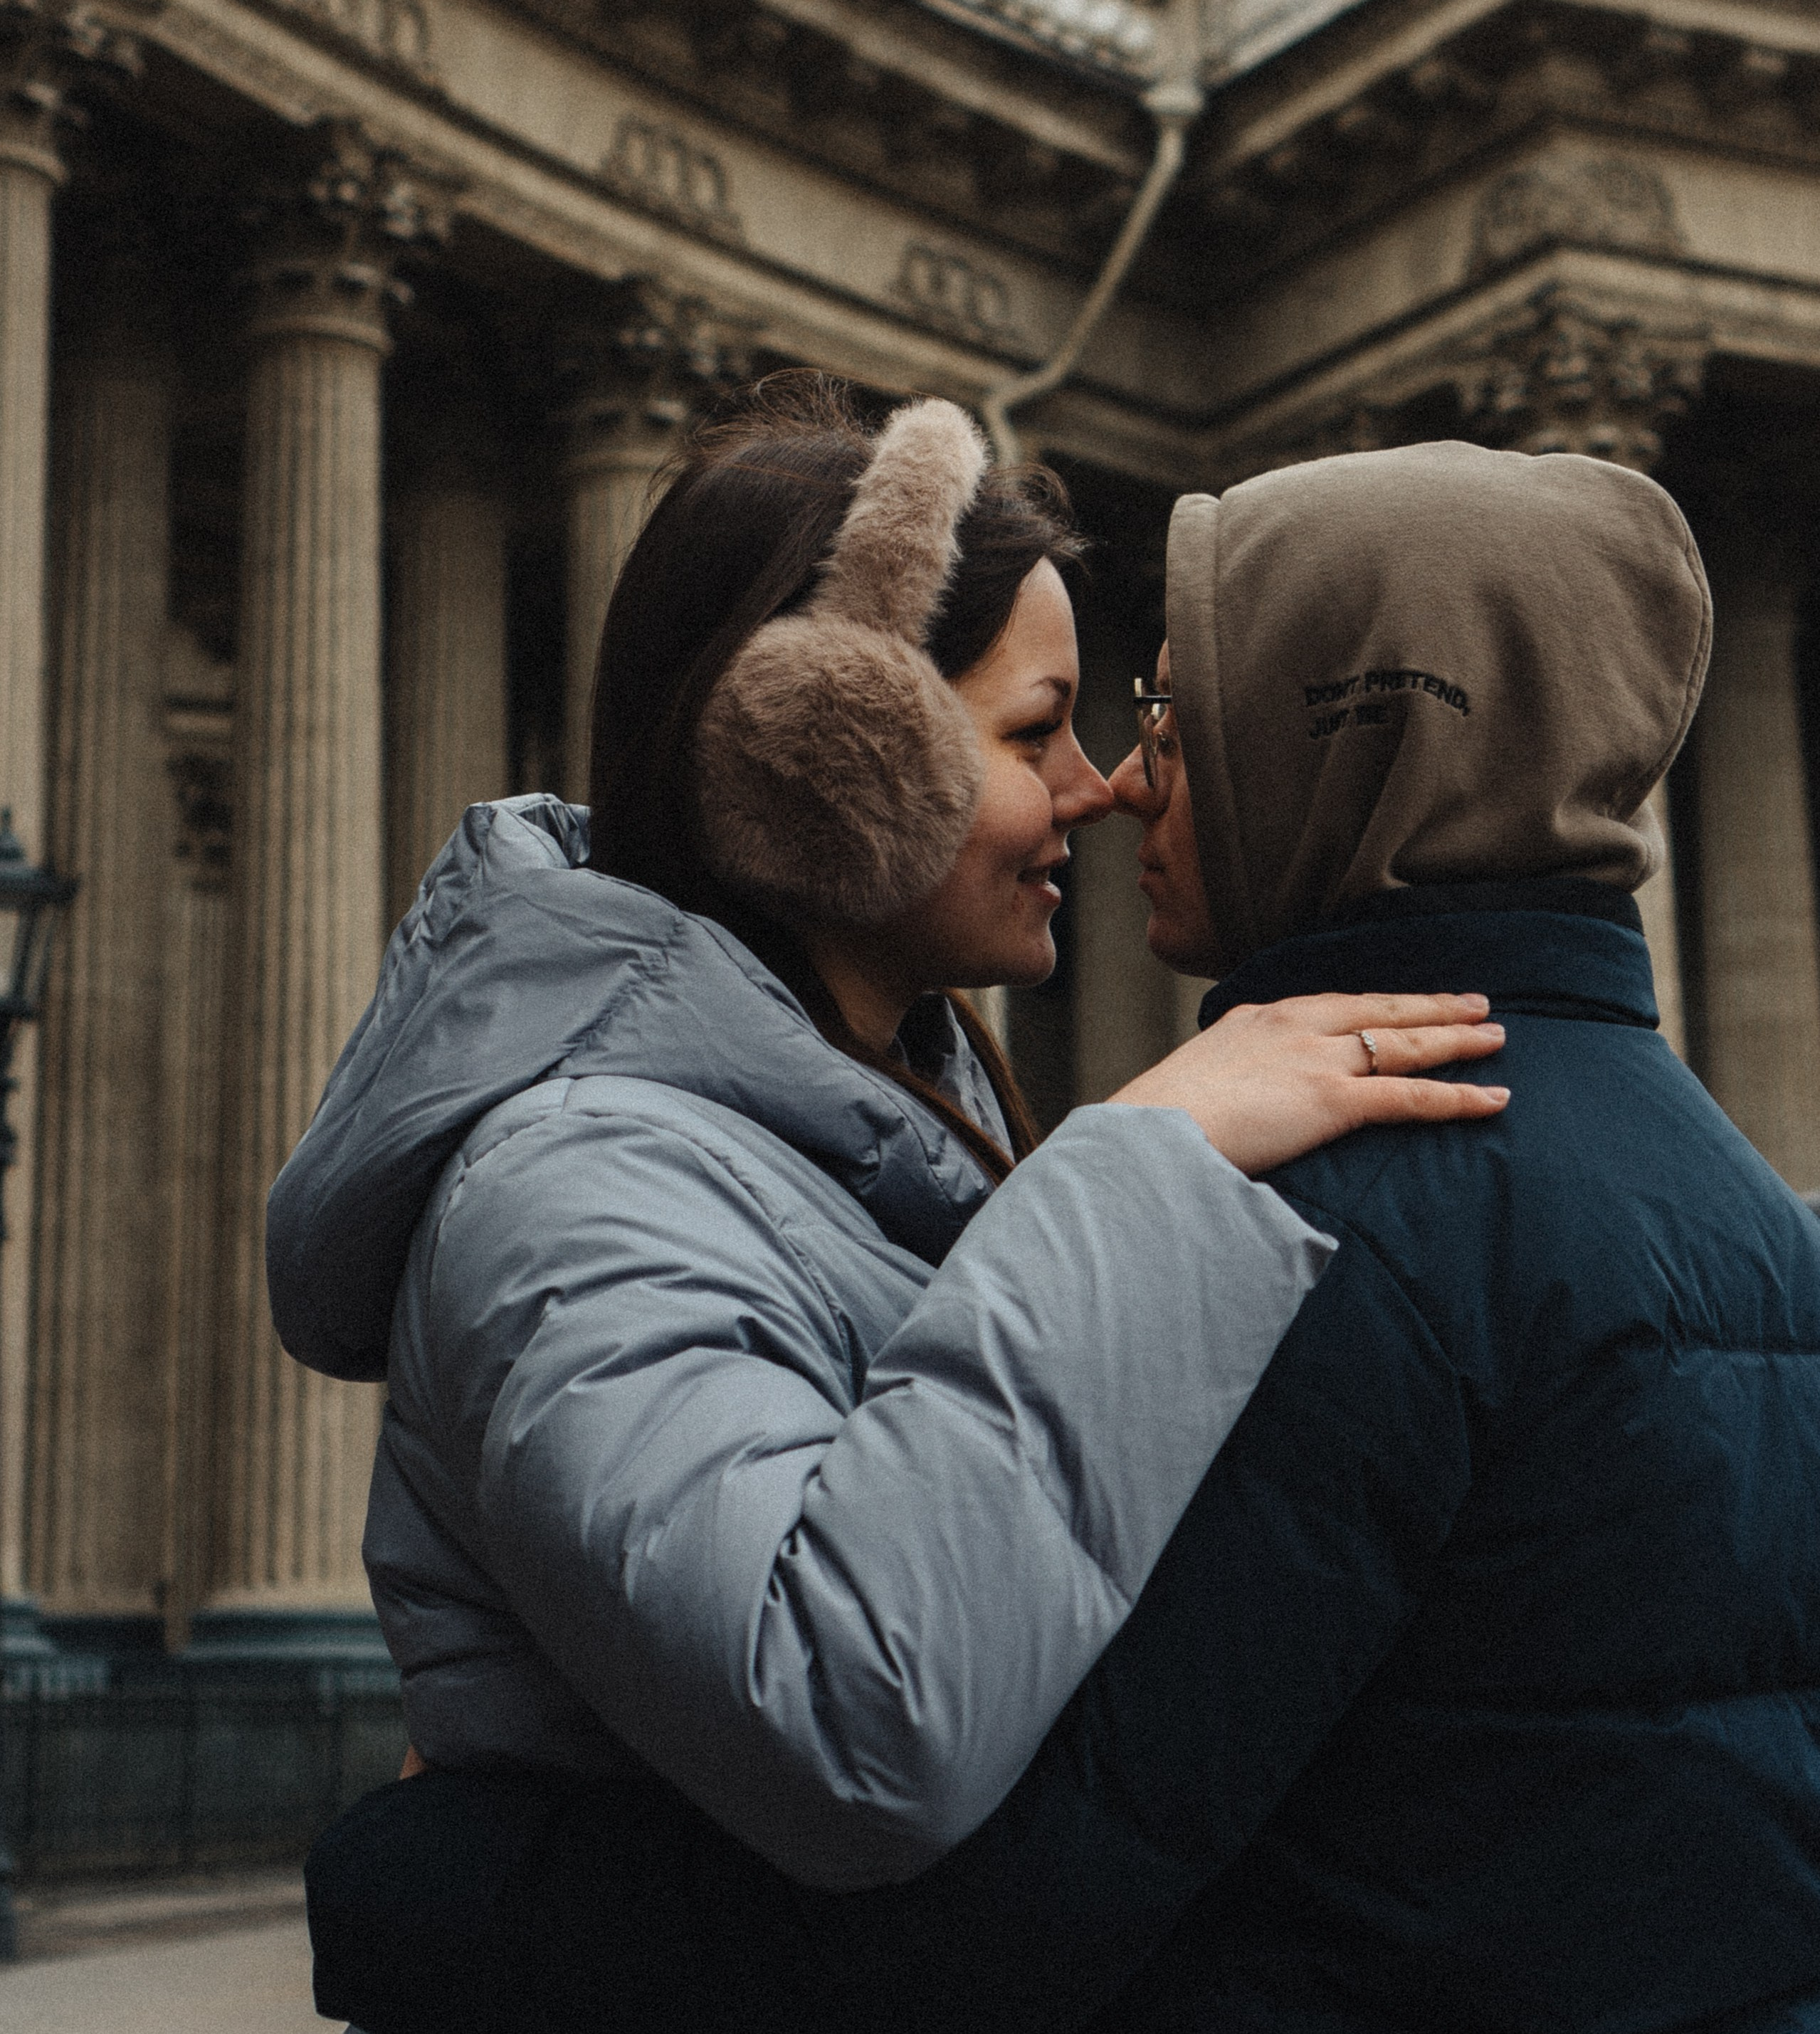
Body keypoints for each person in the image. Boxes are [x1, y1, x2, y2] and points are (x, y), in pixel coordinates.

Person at [274, 378, 1505, 2034]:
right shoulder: (567, 1185)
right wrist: (1137, 1174)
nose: (1101, 787)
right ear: (827, 760)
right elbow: (852, 1718)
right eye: (1030, 731)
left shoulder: (883, 1120)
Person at [1083, 439, 1820, 2031]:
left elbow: (1082, 1855)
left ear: (1331, 736)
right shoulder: (1761, 1215)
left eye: (1170, 714)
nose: (1128, 776)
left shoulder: (1317, 1219)